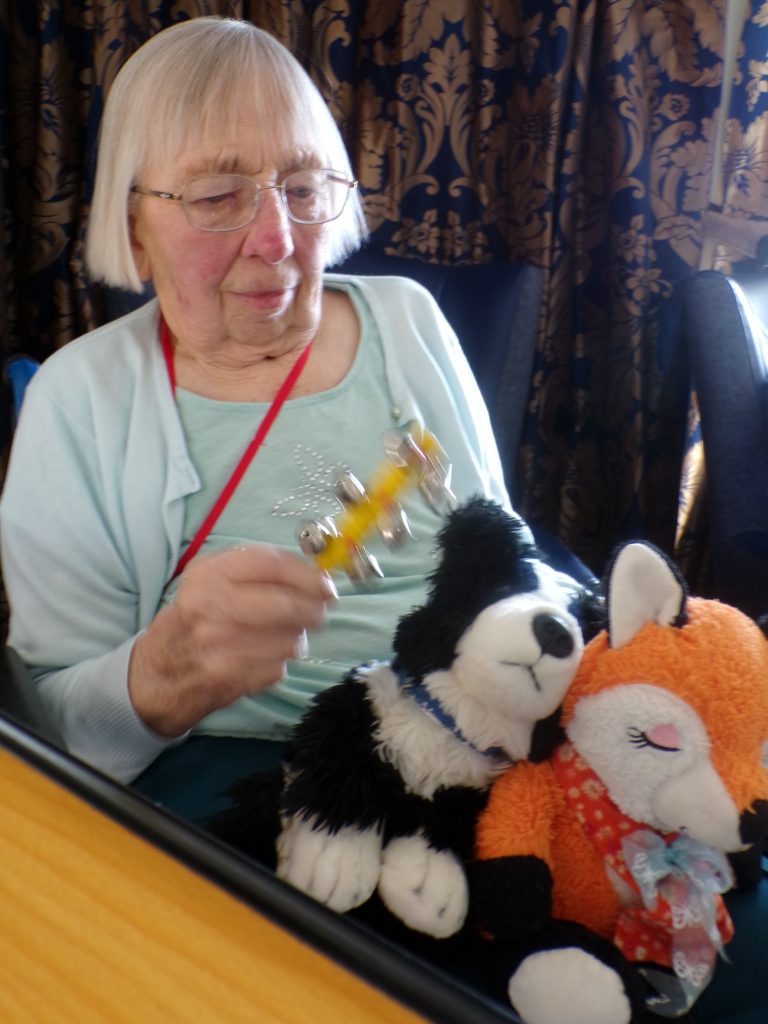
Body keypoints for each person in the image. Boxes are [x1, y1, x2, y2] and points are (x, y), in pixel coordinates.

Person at [0, 17, 515, 824]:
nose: (278, 238)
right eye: (215, 197)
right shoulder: (79, 402)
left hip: (482, 746)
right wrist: (165, 673)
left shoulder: (410, 321)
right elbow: (47, 729)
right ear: (136, 233)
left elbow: (500, 552)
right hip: (241, 793)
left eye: (304, 189)